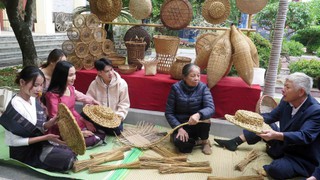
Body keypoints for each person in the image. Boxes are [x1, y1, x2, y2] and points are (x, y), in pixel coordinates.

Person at [214, 72, 320, 179]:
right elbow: (271, 117)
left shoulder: (315, 111)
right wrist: (249, 119)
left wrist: (276, 135)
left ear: (301, 92)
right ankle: (235, 141)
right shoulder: (287, 101)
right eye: (283, 86)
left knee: (275, 170)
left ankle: (282, 162)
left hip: (300, 156)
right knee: (260, 124)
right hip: (283, 143)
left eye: (287, 87)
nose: (283, 90)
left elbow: (304, 136)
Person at [0, 66, 76, 171]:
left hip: (38, 144)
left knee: (70, 151)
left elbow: (40, 127)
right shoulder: (15, 105)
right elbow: (14, 142)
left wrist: (51, 122)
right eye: (36, 85)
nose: (39, 89)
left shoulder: (32, 99)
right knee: (66, 160)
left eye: (41, 85)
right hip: (23, 152)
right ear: (22, 82)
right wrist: (45, 138)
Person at [45, 61, 105, 149]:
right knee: (91, 139)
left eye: (74, 74)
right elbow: (56, 120)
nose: (74, 78)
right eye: (70, 75)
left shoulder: (71, 88)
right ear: (61, 76)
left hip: (75, 122)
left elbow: (75, 107)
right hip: (63, 129)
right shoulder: (52, 95)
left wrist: (84, 120)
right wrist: (79, 133)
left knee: (100, 132)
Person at [165, 63, 215, 155]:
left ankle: (204, 142)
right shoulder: (176, 88)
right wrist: (179, 128)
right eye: (193, 76)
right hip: (183, 125)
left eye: (198, 75)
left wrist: (199, 114)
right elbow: (169, 113)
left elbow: (210, 108)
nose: (196, 78)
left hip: (198, 123)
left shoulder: (203, 88)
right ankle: (196, 142)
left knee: (206, 120)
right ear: (184, 77)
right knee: (182, 147)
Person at [84, 58, 130, 135]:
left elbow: (124, 103)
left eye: (111, 69)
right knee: (85, 117)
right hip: (98, 118)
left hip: (114, 118)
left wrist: (119, 116)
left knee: (118, 130)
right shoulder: (94, 84)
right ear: (99, 73)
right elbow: (88, 101)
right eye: (107, 71)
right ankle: (99, 130)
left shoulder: (122, 84)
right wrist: (95, 116)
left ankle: (100, 131)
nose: (111, 73)